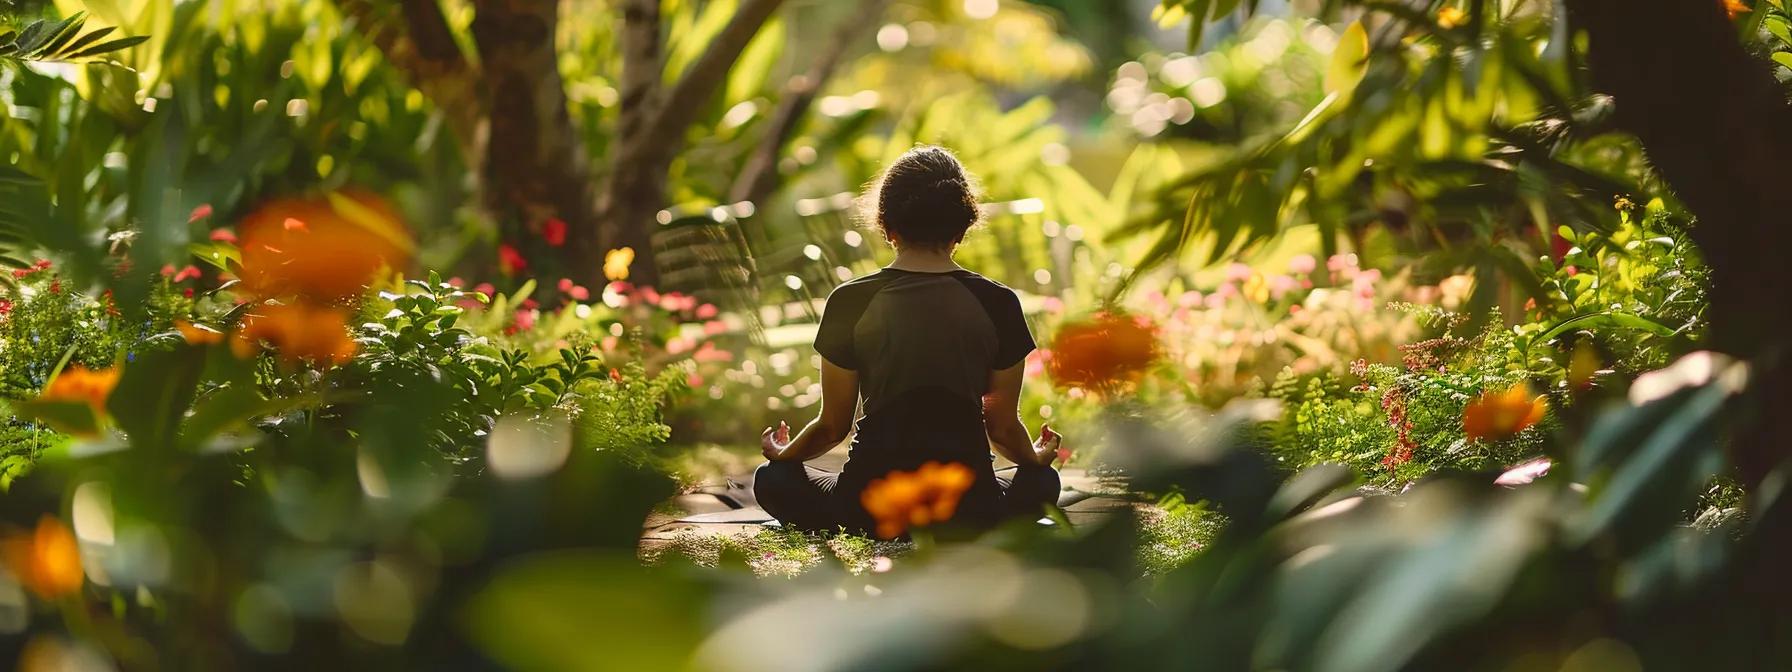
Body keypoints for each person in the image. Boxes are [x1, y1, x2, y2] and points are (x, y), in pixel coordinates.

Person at [753, 145, 1063, 538]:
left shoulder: (849, 300)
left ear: (885, 225)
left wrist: (785, 454)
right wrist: (1035, 457)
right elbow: (1001, 427)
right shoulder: (998, 302)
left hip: (866, 508)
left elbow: (832, 426)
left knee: (773, 478)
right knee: (1042, 483)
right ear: (962, 226)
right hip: (970, 506)